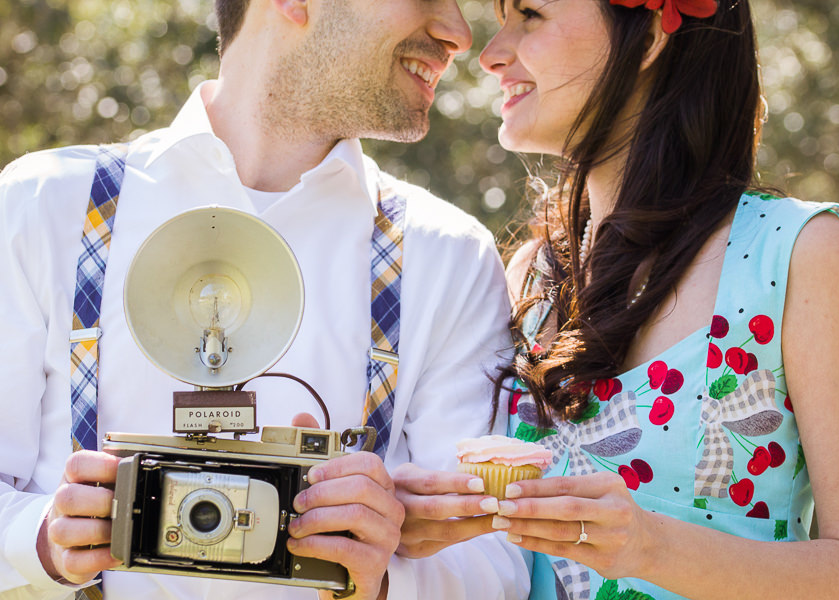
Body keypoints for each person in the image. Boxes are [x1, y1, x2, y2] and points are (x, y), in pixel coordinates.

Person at [0, 0, 530, 599]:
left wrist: (382, 581)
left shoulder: (449, 256)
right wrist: (40, 539)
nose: (458, 34)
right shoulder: (42, 208)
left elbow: (498, 568)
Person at [394, 0, 839, 598]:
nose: (490, 53)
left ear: (652, 34)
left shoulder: (798, 254)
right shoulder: (531, 276)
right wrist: (426, 531)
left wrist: (647, 546)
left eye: (530, 13)